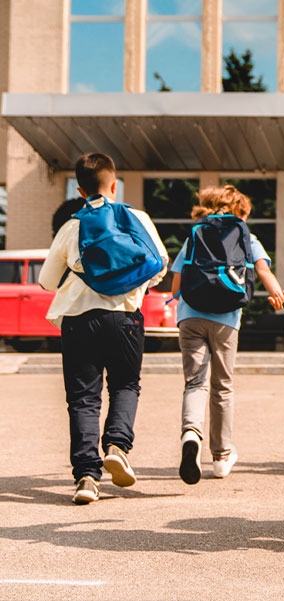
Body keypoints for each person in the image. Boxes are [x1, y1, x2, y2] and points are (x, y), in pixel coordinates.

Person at [39, 152, 169, 505]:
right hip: (126, 317)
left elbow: (46, 282)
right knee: (126, 384)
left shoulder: (72, 225)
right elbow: (160, 264)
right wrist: (131, 286)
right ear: (115, 185)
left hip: (79, 320)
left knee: (83, 398)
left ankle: (86, 477)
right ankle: (116, 445)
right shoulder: (136, 217)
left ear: (80, 190)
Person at [171, 184, 284, 485]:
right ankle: (221, 457)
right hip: (226, 319)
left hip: (190, 316)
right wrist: (278, 296)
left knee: (194, 383)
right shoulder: (247, 236)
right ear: (240, 211)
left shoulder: (196, 232)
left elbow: (176, 284)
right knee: (222, 386)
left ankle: (190, 435)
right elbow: (262, 271)